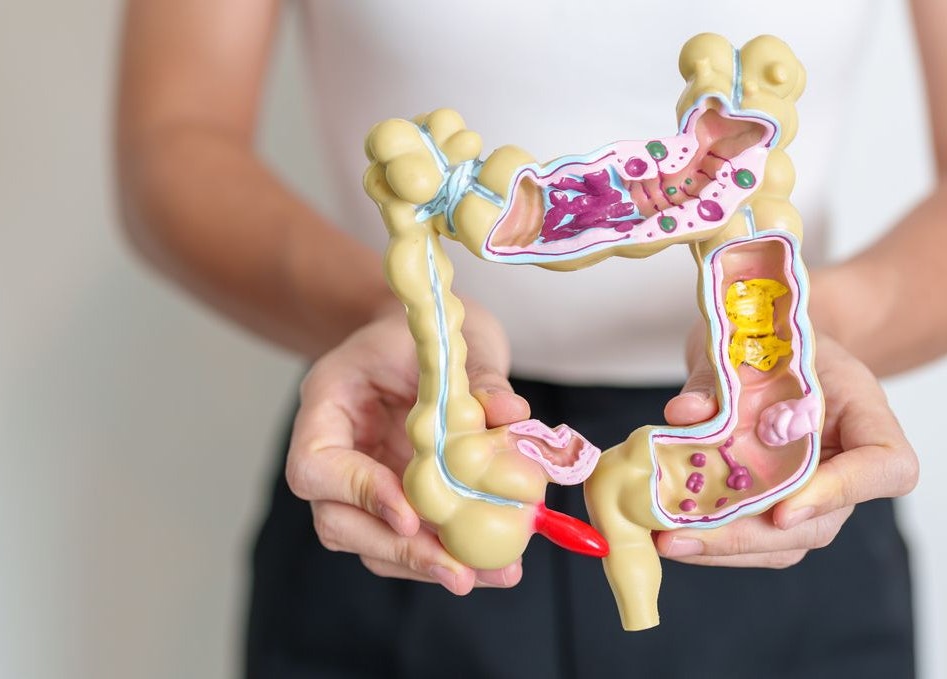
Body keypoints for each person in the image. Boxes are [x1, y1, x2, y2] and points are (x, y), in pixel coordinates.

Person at [117, 1, 942, 676]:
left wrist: (814, 330)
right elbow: (176, 140)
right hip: (400, 435)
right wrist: (391, 311)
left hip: (786, 490)